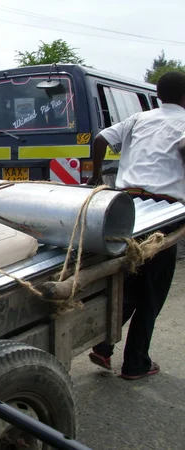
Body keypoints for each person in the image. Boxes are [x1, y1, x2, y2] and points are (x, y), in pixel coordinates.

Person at [87, 71, 185, 380]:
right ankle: (136, 363)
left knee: (128, 280)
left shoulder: (139, 119)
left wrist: (96, 175)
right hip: (164, 213)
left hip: (128, 209)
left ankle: (103, 345)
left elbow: (100, 138)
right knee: (152, 291)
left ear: (157, 95)